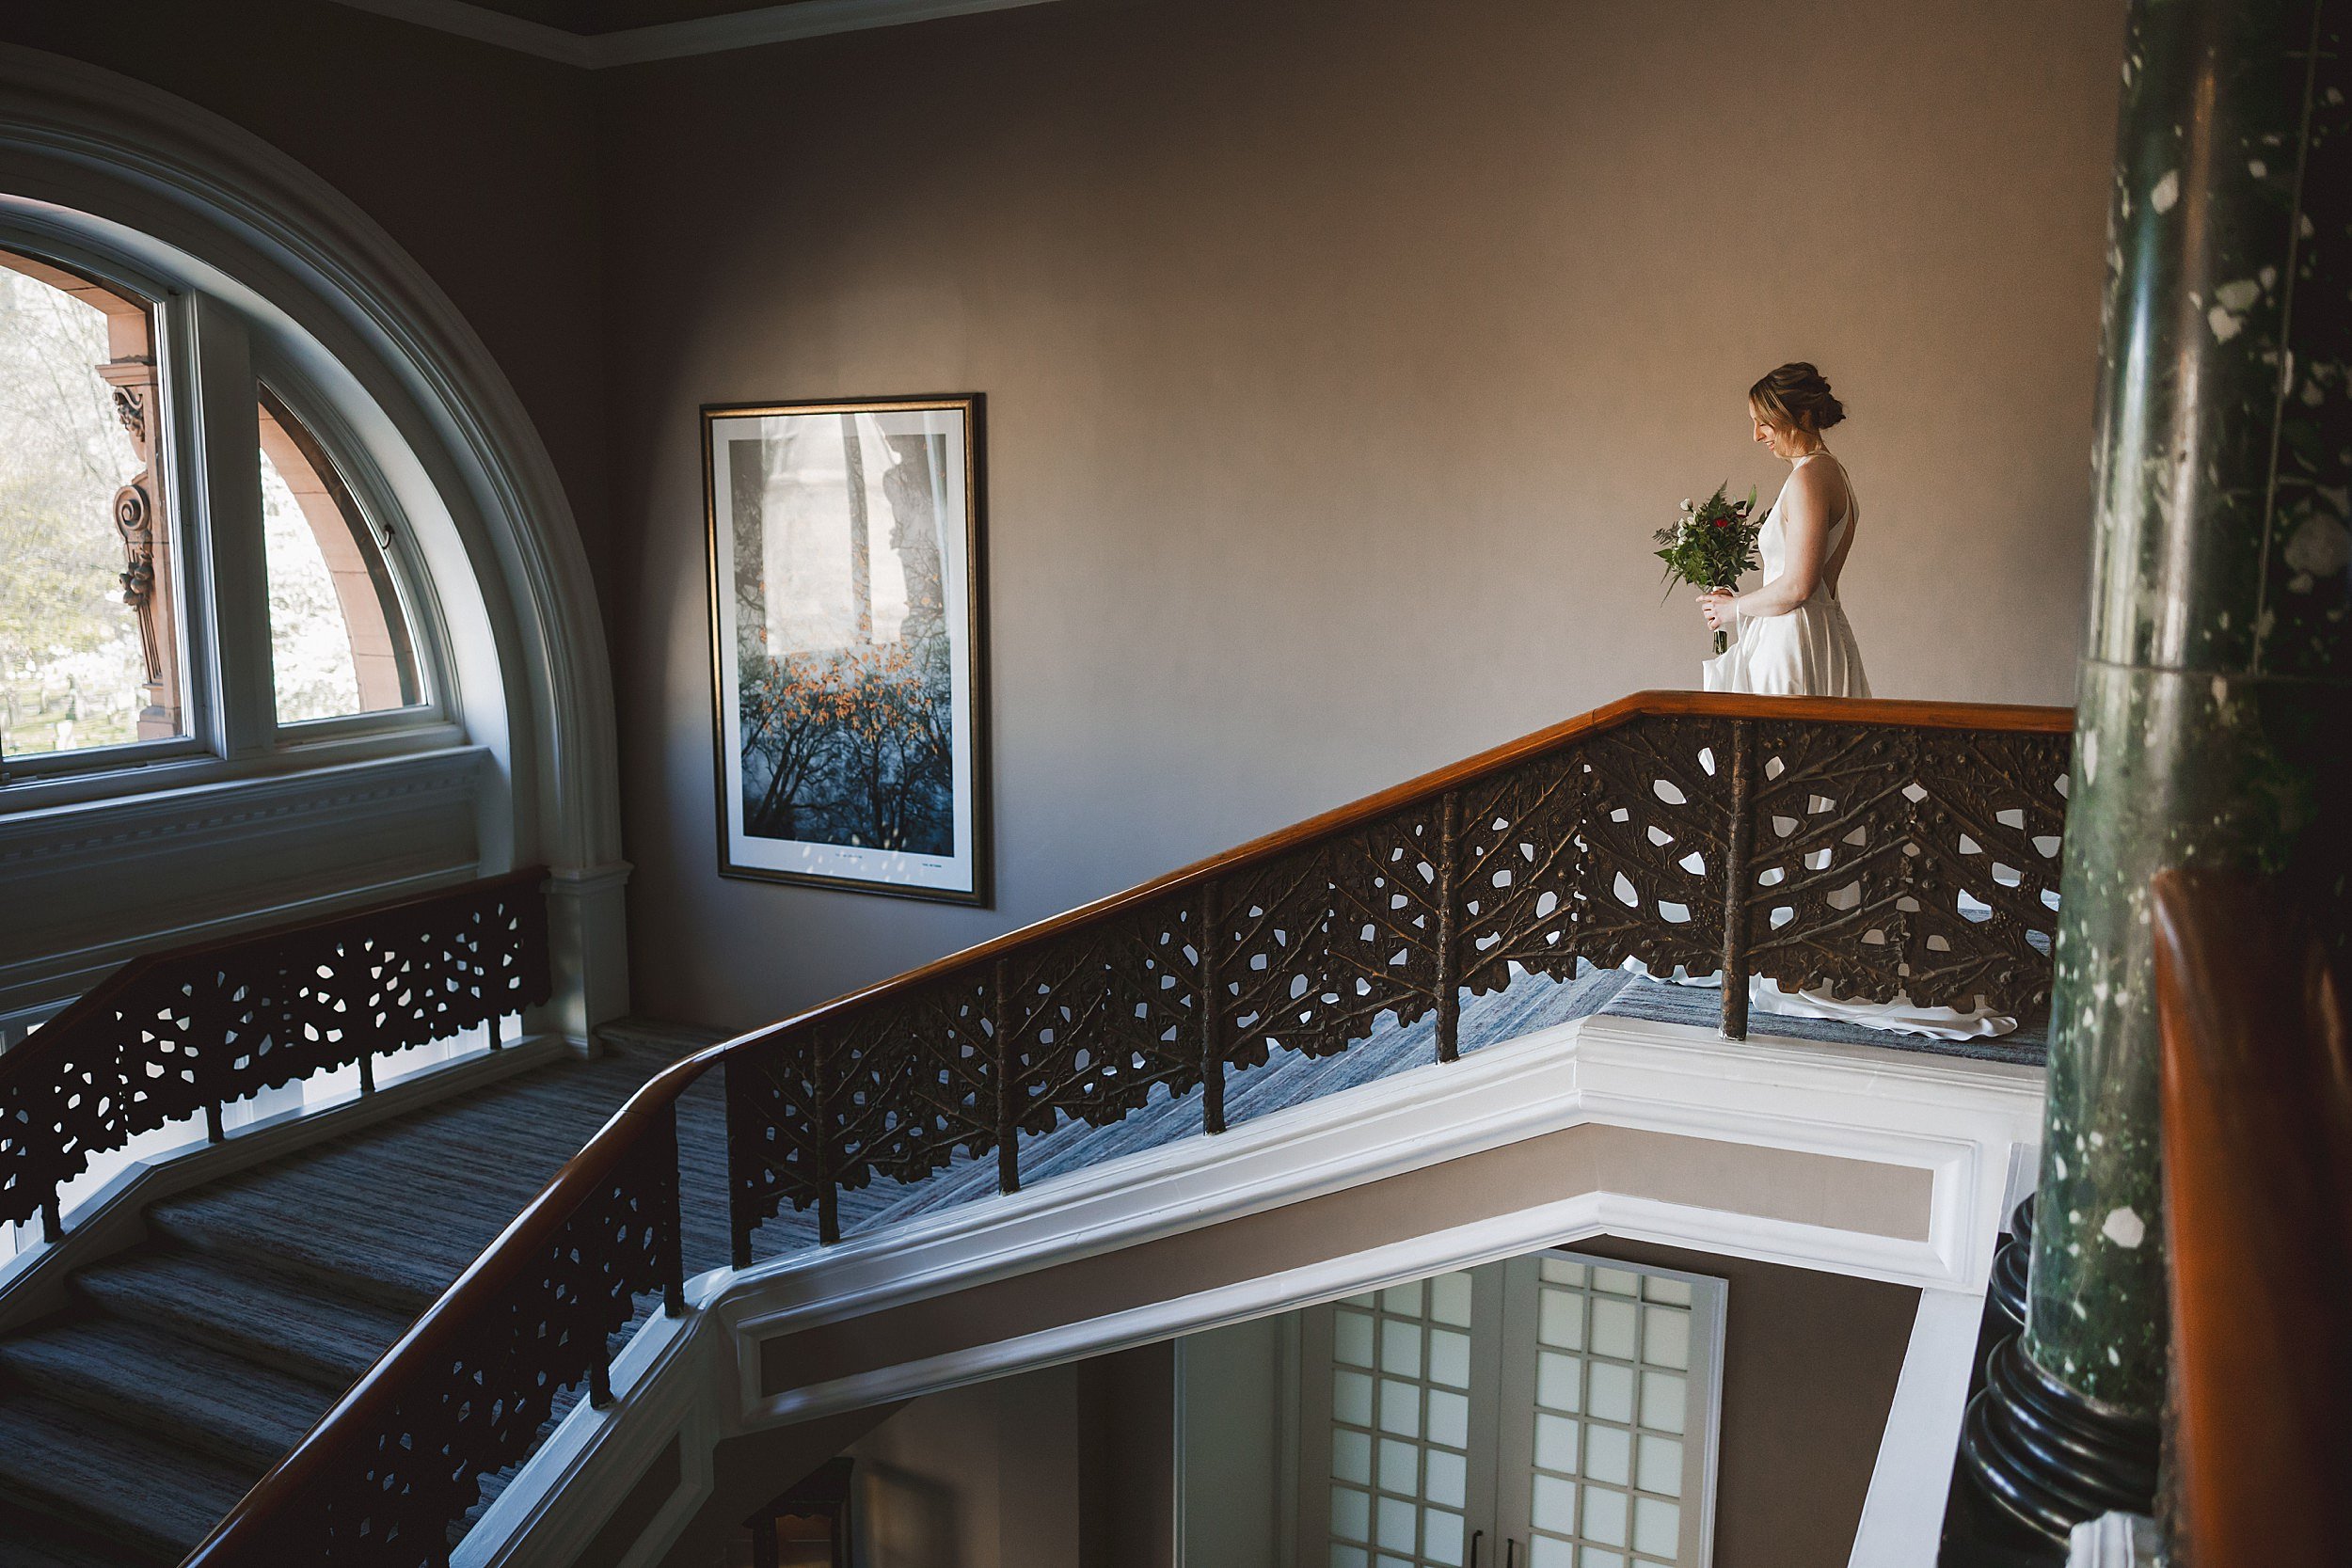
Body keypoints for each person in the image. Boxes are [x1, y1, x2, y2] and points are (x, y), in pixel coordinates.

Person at [1652, 363, 2012, 1039]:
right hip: (1802, 637)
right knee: (1790, 788)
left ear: (1798, 416)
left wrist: (1735, 609)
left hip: (1796, 642)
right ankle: (1779, 931)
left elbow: (1799, 584)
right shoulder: (1827, 474)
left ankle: (1805, 939)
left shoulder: (1815, 476)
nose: (1757, 435)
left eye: (1765, 421)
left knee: (1791, 786)